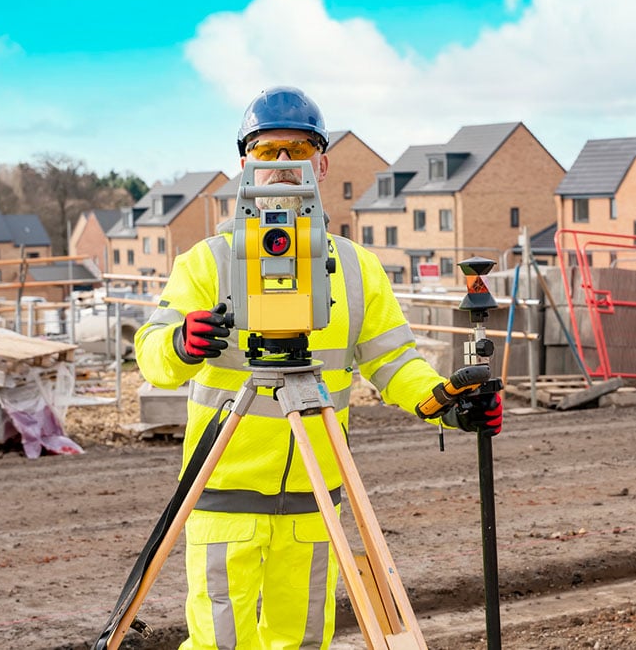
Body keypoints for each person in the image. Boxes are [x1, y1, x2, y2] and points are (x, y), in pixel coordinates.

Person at [134, 85, 503, 650]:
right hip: (224, 493)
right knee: (220, 646)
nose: (283, 164)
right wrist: (183, 342)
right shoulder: (207, 262)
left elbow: (394, 363)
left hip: (314, 502)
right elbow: (152, 353)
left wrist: (445, 402)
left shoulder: (355, 268)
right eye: (269, 149)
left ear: (322, 163)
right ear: (245, 163)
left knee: (303, 643)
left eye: (299, 150)